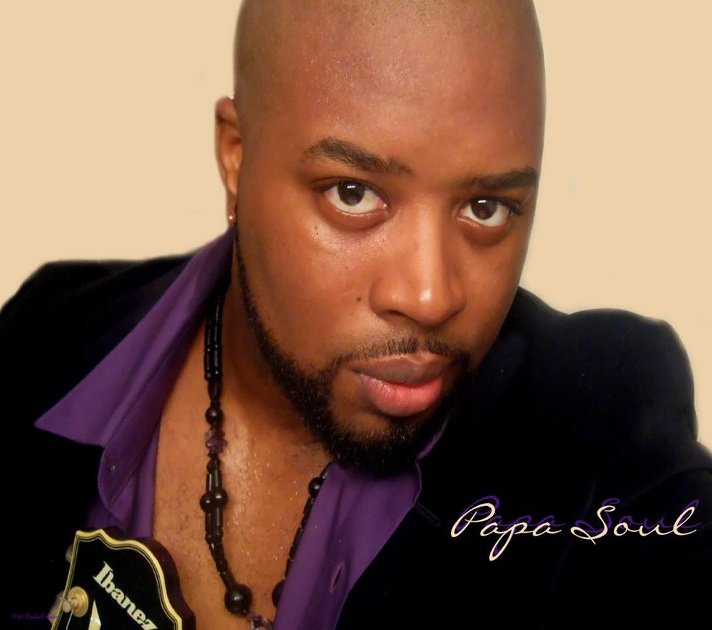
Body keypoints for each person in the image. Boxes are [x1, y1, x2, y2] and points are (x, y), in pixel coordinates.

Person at [2, 1, 711, 628]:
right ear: (237, 157)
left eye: (486, 208)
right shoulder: (45, 333)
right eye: (353, 193)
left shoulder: (600, 429)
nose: (430, 297)